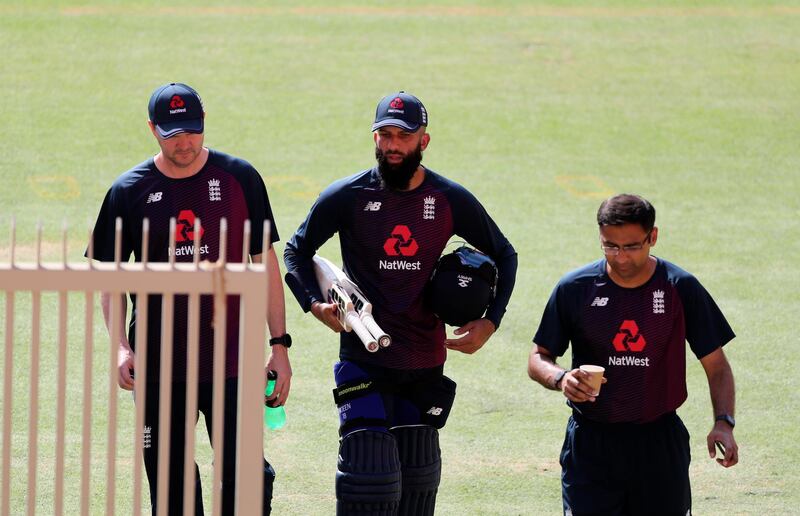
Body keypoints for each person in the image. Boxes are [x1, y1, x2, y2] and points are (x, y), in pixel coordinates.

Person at [284, 91, 517, 515]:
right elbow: (296, 252)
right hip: (364, 355)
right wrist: (316, 307)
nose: (392, 145)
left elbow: (505, 254)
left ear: (423, 141)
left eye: (403, 137)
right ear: (374, 138)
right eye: (384, 135)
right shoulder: (348, 195)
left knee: (417, 487)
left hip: (425, 360)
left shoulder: (447, 199)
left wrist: (491, 321)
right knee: (368, 480)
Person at [88, 82, 291, 515]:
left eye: (192, 130)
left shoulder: (240, 178)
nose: (184, 142)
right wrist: (120, 347)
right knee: (171, 491)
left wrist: (280, 345)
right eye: (172, 133)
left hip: (232, 363)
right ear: (151, 129)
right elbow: (109, 276)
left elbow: (265, 263)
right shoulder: (128, 191)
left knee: (245, 487)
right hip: (158, 367)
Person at [527, 193, 738, 516]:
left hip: (659, 442)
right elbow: (538, 357)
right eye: (610, 246)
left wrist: (723, 422)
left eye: (631, 246)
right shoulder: (575, 288)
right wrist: (561, 378)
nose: (620, 257)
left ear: (652, 237)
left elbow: (717, 367)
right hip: (591, 443)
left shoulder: (680, 288)